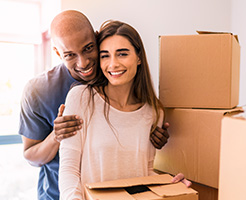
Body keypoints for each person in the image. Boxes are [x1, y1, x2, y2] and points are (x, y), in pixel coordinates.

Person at [18, 10, 169, 200]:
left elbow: (142, 167)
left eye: (89, 48)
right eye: (70, 55)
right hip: (58, 193)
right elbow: (33, 156)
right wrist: (56, 137)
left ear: (96, 38)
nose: (83, 62)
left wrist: (156, 138)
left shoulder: (142, 100)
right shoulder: (41, 91)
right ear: (58, 53)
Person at [59, 20, 191, 199]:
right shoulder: (81, 98)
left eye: (122, 54)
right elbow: (69, 169)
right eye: (105, 56)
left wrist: (170, 184)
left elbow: (144, 173)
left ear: (138, 57)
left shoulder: (153, 111)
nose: (113, 64)